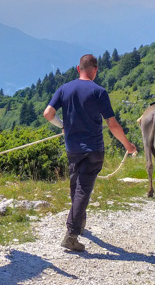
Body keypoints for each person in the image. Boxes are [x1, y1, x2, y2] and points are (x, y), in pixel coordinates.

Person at [43, 54, 137, 252]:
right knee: (82, 190)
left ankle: (79, 222)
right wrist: (127, 145)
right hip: (93, 149)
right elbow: (112, 124)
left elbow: (48, 114)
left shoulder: (64, 89)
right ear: (95, 70)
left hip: (73, 148)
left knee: (75, 187)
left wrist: (63, 126)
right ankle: (71, 234)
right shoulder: (99, 92)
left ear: (78, 68)